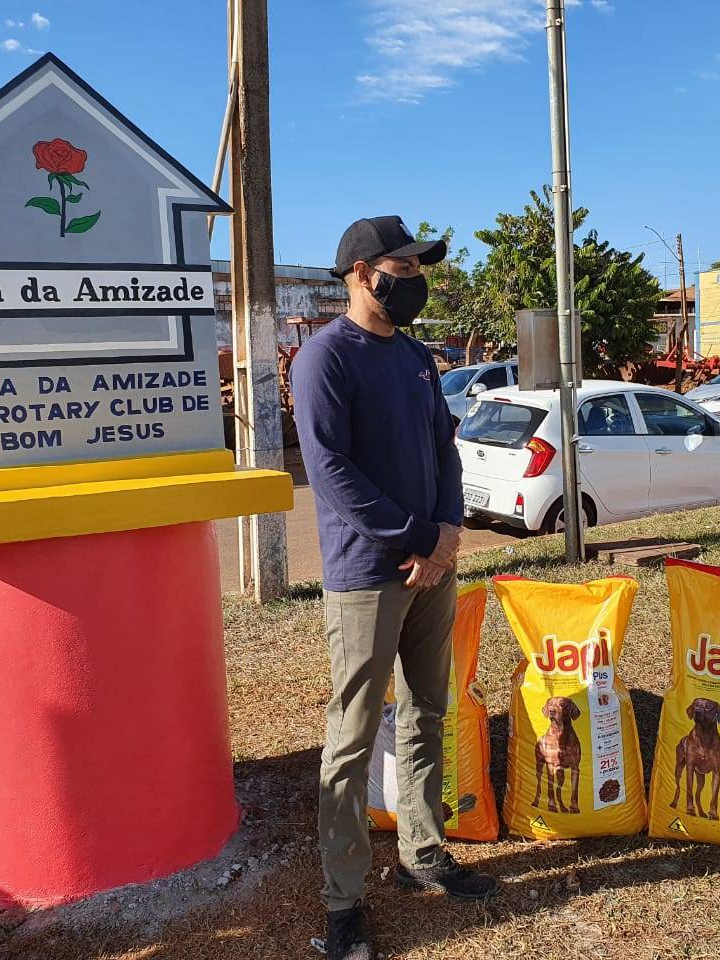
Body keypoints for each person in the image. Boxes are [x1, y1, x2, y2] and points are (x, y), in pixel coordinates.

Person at [290, 216, 498, 960]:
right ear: (357, 272)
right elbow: (332, 472)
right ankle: (344, 900)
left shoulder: (416, 357)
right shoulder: (324, 358)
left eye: (417, 269)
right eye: (400, 268)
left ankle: (423, 852)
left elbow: (444, 447)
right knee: (350, 739)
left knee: (427, 713)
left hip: (430, 567)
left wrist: (446, 533)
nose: (413, 279)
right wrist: (417, 539)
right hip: (367, 577)